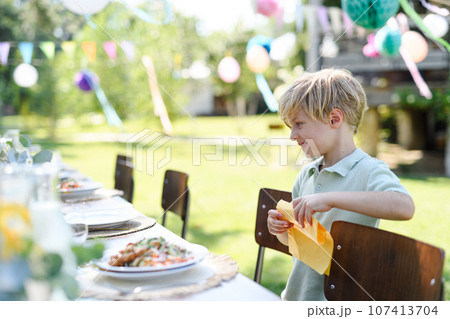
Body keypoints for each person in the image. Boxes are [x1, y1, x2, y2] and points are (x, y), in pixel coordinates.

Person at [267, 68, 415, 301]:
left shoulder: (368, 170)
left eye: (299, 124)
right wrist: (281, 231)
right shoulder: (306, 174)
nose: (292, 135)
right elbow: (298, 244)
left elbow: (404, 207)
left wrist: (331, 198)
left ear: (334, 119)